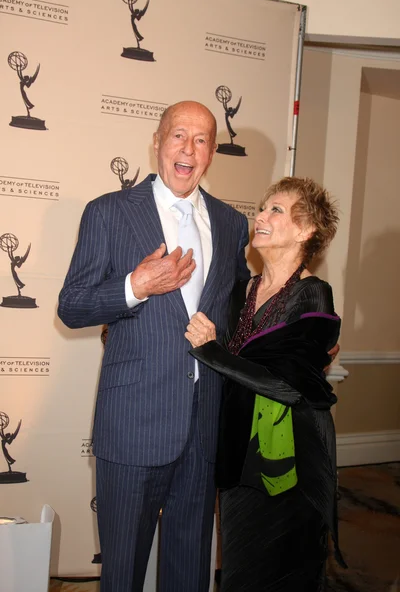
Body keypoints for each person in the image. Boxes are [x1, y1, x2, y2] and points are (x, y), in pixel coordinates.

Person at [57, 100, 250, 592]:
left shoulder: (231, 224)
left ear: (211, 154)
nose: (189, 149)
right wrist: (135, 286)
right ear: (158, 142)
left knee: (189, 572)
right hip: (133, 423)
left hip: (203, 426)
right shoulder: (109, 212)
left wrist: (291, 339)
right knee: (122, 571)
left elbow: (235, 314)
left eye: (202, 139)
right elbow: (72, 305)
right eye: (179, 136)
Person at [186, 177, 347, 592]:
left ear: (306, 229)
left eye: (276, 209)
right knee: (240, 572)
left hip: (290, 460)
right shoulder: (243, 291)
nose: (261, 215)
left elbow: (288, 386)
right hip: (239, 454)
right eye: (262, 207)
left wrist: (211, 351)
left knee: (286, 572)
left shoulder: (314, 295)